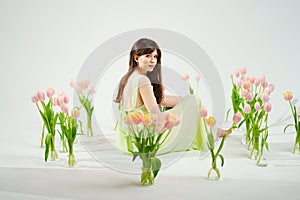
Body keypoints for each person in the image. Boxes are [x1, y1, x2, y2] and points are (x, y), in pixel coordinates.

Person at [114, 38, 227, 155]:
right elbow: (156, 116)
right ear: (136, 58)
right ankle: (211, 131)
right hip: (146, 138)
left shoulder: (127, 77)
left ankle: (211, 130)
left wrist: (185, 102)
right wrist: (187, 107)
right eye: (148, 56)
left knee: (191, 101)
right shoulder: (143, 80)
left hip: (131, 140)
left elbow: (162, 100)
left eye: (155, 57)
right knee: (195, 100)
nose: (152, 61)